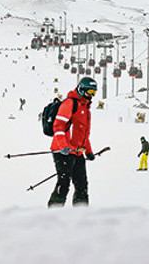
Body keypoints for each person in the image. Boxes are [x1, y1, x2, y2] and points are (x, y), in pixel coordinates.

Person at [48, 77, 97, 208]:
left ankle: (80, 214)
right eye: (89, 92)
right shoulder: (70, 104)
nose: (91, 96)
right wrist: (63, 146)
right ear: (81, 90)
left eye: (94, 93)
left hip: (77, 152)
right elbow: (58, 126)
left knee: (82, 184)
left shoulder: (86, 109)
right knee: (64, 184)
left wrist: (89, 151)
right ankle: (53, 213)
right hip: (62, 151)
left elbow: (83, 134)